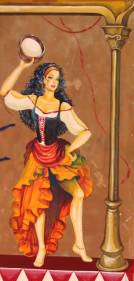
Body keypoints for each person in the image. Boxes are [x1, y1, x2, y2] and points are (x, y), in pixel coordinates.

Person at [1, 59, 93, 267]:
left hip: (58, 154)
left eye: (57, 79)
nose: (53, 82)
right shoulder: (32, 100)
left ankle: (79, 244)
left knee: (78, 193)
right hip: (37, 156)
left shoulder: (63, 107)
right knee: (38, 204)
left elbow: (85, 131)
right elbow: (5, 93)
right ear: (42, 79)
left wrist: (70, 149)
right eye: (50, 78)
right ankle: (41, 248)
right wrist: (21, 65)